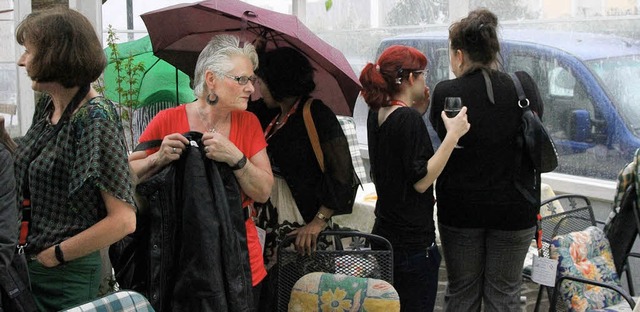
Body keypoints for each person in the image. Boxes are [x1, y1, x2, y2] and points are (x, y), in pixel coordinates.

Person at [128, 34, 273, 310]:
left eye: (251, 80)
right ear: (211, 80)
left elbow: (264, 191)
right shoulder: (168, 120)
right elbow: (127, 176)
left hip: (240, 253)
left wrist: (236, 158)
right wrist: (157, 158)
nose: (251, 89)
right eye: (241, 80)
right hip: (181, 253)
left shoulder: (248, 123)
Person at [13, 7, 137, 311]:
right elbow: (34, 167)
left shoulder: (96, 117)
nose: (21, 60)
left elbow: (123, 220)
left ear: (57, 55)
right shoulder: (48, 106)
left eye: (29, 51)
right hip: (33, 269)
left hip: (66, 276)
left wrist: (56, 254)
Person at [429, 9, 543, 311]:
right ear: (495, 50)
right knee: (504, 295)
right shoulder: (524, 87)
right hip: (515, 210)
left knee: (462, 292)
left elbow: (441, 141)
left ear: (459, 55)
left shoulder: (447, 92)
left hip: (461, 210)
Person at [359, 45, 470, 311]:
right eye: (422, 74)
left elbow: (399, 161)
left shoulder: (378, 115)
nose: (425, 80)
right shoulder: (407, 119)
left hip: (386, 237)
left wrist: (417, 110)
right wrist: (453, 135)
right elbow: (420, 181)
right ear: (410, 78)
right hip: (412, 246)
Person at [248, 46, 360, 310]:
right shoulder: (273, 115)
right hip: (270, 227)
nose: (257, 89)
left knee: (301, 297)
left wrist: (318, 222)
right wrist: (254, 57)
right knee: (272, 297)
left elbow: (342, 174)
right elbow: (245, 111)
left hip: (301, 228)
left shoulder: (316, 114)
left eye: (261, 82)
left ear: (278, 81)